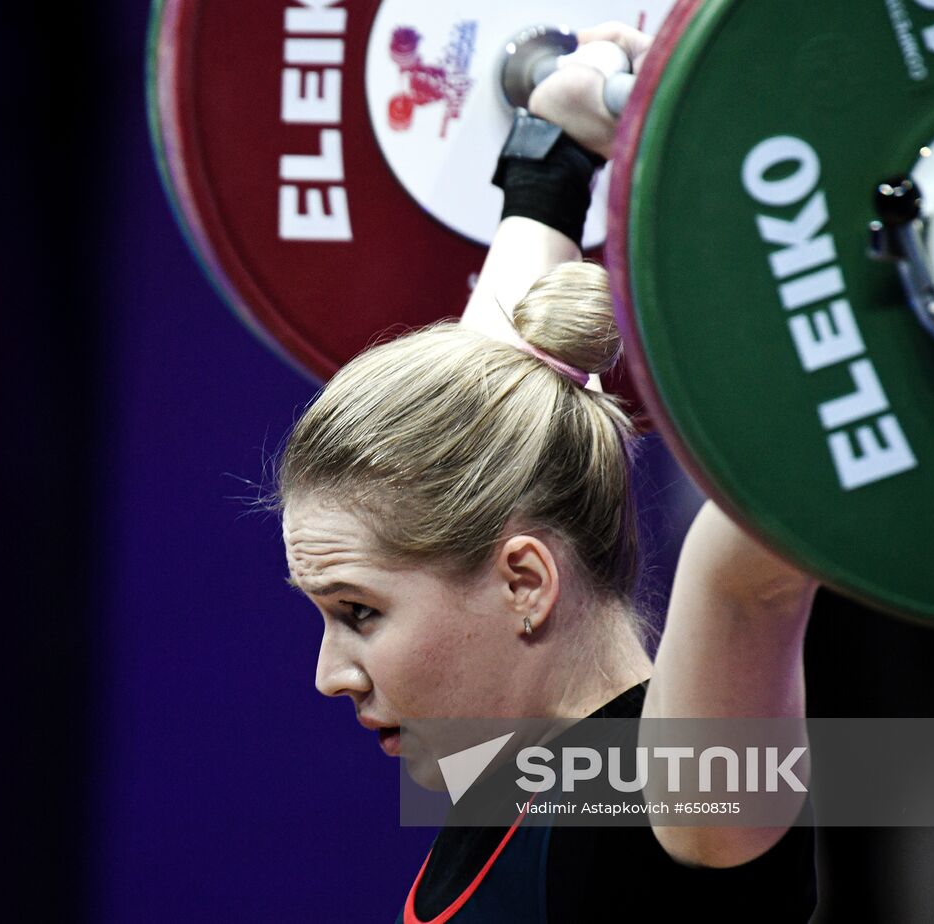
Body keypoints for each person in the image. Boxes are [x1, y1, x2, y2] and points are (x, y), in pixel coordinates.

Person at [277, 22, 819, 923]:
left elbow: (771, 522)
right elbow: (502, 385)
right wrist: (552, 158)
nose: (332, 673)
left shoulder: (683, 801)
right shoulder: (510, 783)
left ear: (526, 580)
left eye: (359, 612)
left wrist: (713, 146)